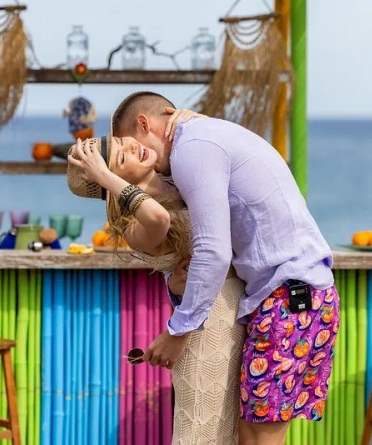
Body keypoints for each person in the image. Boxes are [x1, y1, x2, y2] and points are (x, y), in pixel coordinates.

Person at [107, 92, 340, 445]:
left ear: (144, 124)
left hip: (290, 297)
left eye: (129, 144)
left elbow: (213, 251)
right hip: (288, 296)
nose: (136, 153)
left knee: (256, 437)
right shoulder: (200, 142)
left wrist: (178, 330)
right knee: (249, 435)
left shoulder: (193, 148)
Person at [66, 112, 245, 444]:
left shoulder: (182, 177)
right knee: (200, 432)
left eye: (125, 142)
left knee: (235, 434)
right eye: (122, 158)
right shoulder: (133, 228)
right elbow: (159, 218)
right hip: (203, 325)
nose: (133, 147)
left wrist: (194, 120)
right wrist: (104, 176)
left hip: (243, 312)